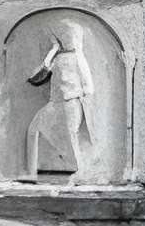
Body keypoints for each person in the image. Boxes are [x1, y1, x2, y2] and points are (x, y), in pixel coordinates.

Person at [21, 26, 98, 182]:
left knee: (72, 138)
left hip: (71, 102)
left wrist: (79, 98)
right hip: (55, 103)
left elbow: (89, 86)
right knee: (34, 129)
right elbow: (40, 75)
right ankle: (31, 172)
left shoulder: (78, 57)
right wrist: (53, 49)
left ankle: (81, 173)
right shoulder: (57, 58)